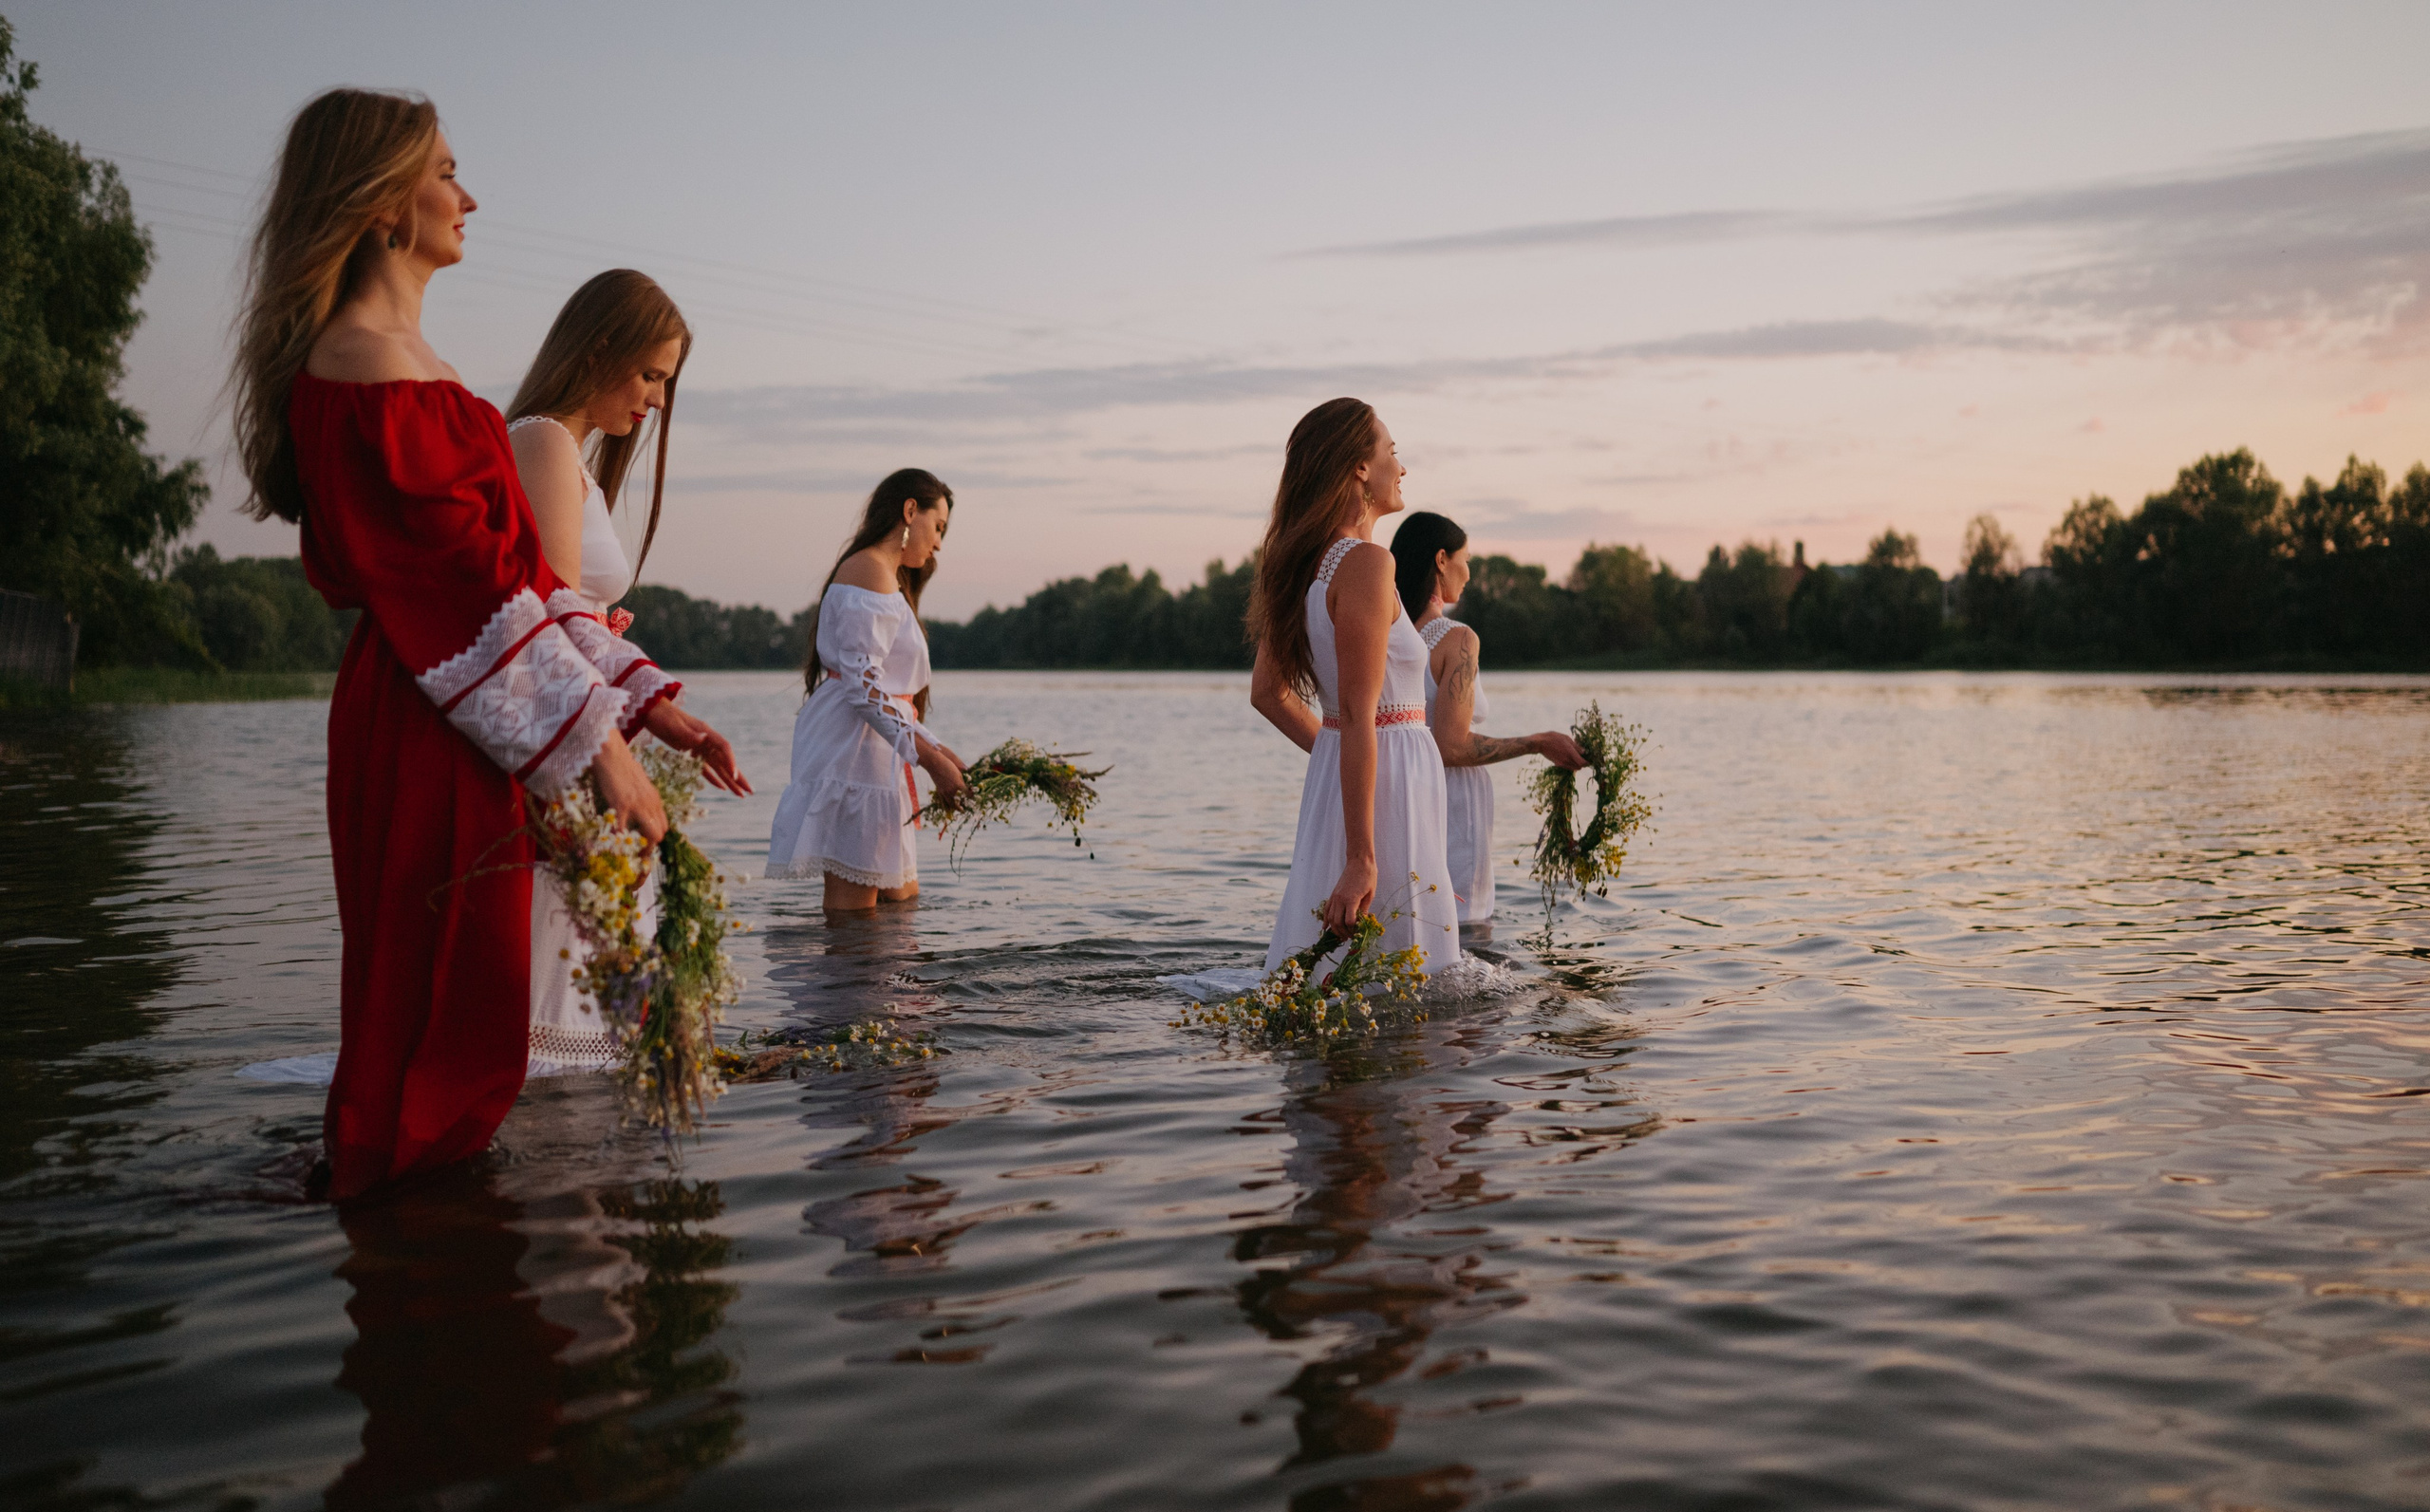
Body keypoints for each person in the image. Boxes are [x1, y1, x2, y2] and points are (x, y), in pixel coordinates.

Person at [232, 88, 688, 1199]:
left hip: (464, 713)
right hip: (431, 715)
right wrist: (603, 752)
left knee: (465, 1007)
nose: (467, 194)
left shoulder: (398, 354)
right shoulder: (362, 366)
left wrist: (643, 700)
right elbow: (465, 597)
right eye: (445, 171)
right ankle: (426, 1284)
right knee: (439, 1007)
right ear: (386, 203)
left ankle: (444, 1265)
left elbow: (525, 582)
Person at [504, 270, 750, 1072]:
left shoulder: (569, 456)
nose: (654, 401)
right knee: (568, 970)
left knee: (602, 958)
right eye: (650, 374)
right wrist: (654, 702)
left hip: (592, 720)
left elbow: (557, 604)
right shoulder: (541, 437)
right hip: (573, 734)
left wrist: (619, 660)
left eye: (665, 383)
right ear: (599, 347)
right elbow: (545, 607)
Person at [1248, 398, 1458, 975]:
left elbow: (1268, 695)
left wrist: (1336, 759)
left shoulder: (1304, 563)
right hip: (1387, 786)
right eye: (1391, 450)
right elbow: (1363, 713)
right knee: (1398, 978)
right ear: (1360, 468)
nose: (1402, 465)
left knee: (1345, 977)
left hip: (1357, 774)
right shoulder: (1366, 562)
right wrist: (1363, 856)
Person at [766, 471, 967, 913]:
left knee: (900, 907)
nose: (938, 544)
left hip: (878, 751)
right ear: (910, 511)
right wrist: (932, 762)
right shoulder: (868, 571)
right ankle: (845, 985)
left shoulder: (882, 575)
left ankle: (872, 984)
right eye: (939, 528)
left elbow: (887, 692)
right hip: (853, 753)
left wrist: (945, 755)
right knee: (855, 915)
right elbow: (864, 688)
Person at [1388, 512, 1585, 924]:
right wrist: (1537, 742)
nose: (1471, 572)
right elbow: (1452, 745)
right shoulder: (1456, 639)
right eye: (1466, 557)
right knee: (1463, 926)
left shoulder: (1387, 636)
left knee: (1404, 920)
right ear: (1441, 560)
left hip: (1397, 792)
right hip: (1450, 802)